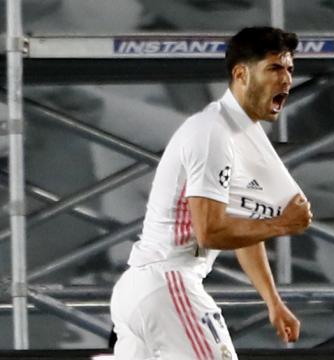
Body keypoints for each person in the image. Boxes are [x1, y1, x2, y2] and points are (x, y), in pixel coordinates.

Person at [110, 26, 312, 360]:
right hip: (167, 282)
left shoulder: (236, 133)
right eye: (274, 68)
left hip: (144, 288)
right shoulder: (213, 133)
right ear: (241, 74)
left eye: (290, 69)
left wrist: (273, 302)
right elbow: (210, 231)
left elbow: (244, 229)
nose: (287, 79)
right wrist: (282, 224)